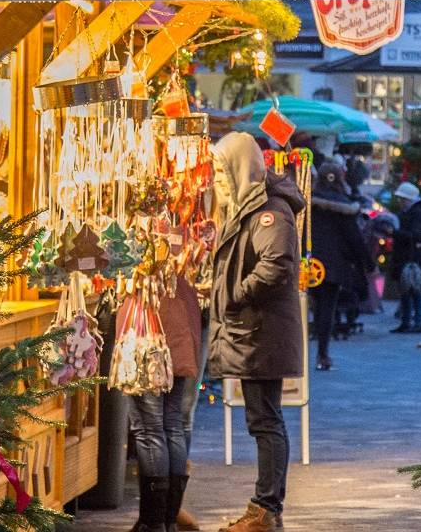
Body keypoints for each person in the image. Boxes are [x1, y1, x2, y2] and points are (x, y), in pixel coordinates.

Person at [207, 133, 303, 532]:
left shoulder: (269, 211)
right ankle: (266, 508)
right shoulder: (249, 208)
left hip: (261, 331)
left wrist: (235, 295)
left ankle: (265, 508)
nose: (218, 180)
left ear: (239, 169)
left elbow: (275, 264)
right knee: (264, 418)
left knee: (265, 419)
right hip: (255, 331)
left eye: (221, 172)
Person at [127, 274, 203, 532]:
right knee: (172, 424)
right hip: (183, 325)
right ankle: (168, 520)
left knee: (150, 429)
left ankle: (153, 521)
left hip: (148, 326)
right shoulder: (188, 252)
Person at [307, 160, 373, 371]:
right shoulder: (345, 206)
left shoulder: (307, 203)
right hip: (333, 265)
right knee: (327, 307)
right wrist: (368, 264)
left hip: (308, 262)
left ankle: (301, 354)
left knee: (308, 305)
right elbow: (355, 239)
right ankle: (322, 354)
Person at [387, 182, 421, 334]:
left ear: (408, 199)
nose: (400, 202)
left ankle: (417, 322)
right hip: (407, 257)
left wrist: (394, 233)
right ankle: (408, 321)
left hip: (415, 258)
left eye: (402, 199)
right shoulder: (413, 212)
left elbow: (416, 235)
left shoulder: (420, 213)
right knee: (406, 290)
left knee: (416, 289)